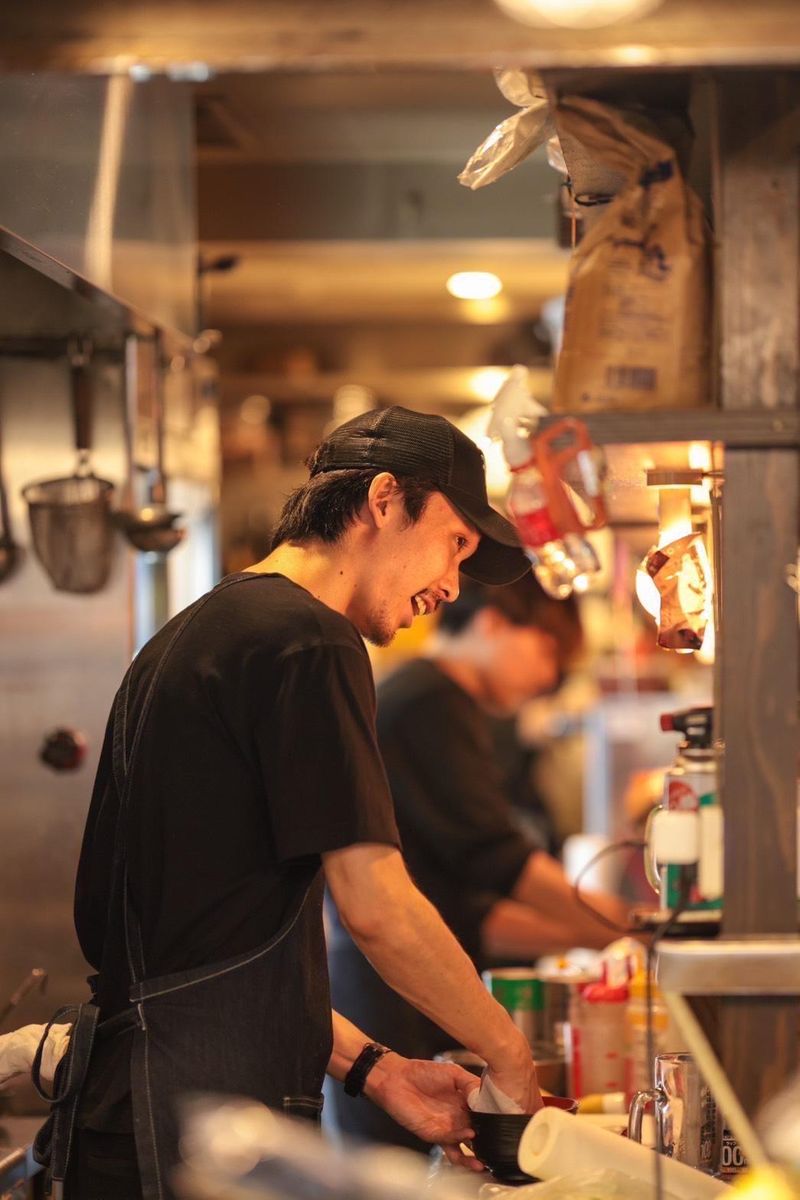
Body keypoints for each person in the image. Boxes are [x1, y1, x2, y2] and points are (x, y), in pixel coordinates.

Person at [60, 407, 542, 1200]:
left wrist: (376, 1071)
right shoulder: (311, 641)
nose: (453, 585)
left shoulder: (216, 626)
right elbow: (378, 907)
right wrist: (509, 1057)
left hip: (151, 1102)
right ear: (385, 500)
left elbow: (211, 956)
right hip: (183, 1126)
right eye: (455, 542)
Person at [328, 574, 631, 1151]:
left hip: (412, 991)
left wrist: (604, 934)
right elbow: (498, 859)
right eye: (548, 651)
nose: (550, 677)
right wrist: (626, 925)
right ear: (493, 622)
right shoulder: (427, 700)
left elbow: (469, 899)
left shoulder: (445, 702)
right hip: (395, 1002)